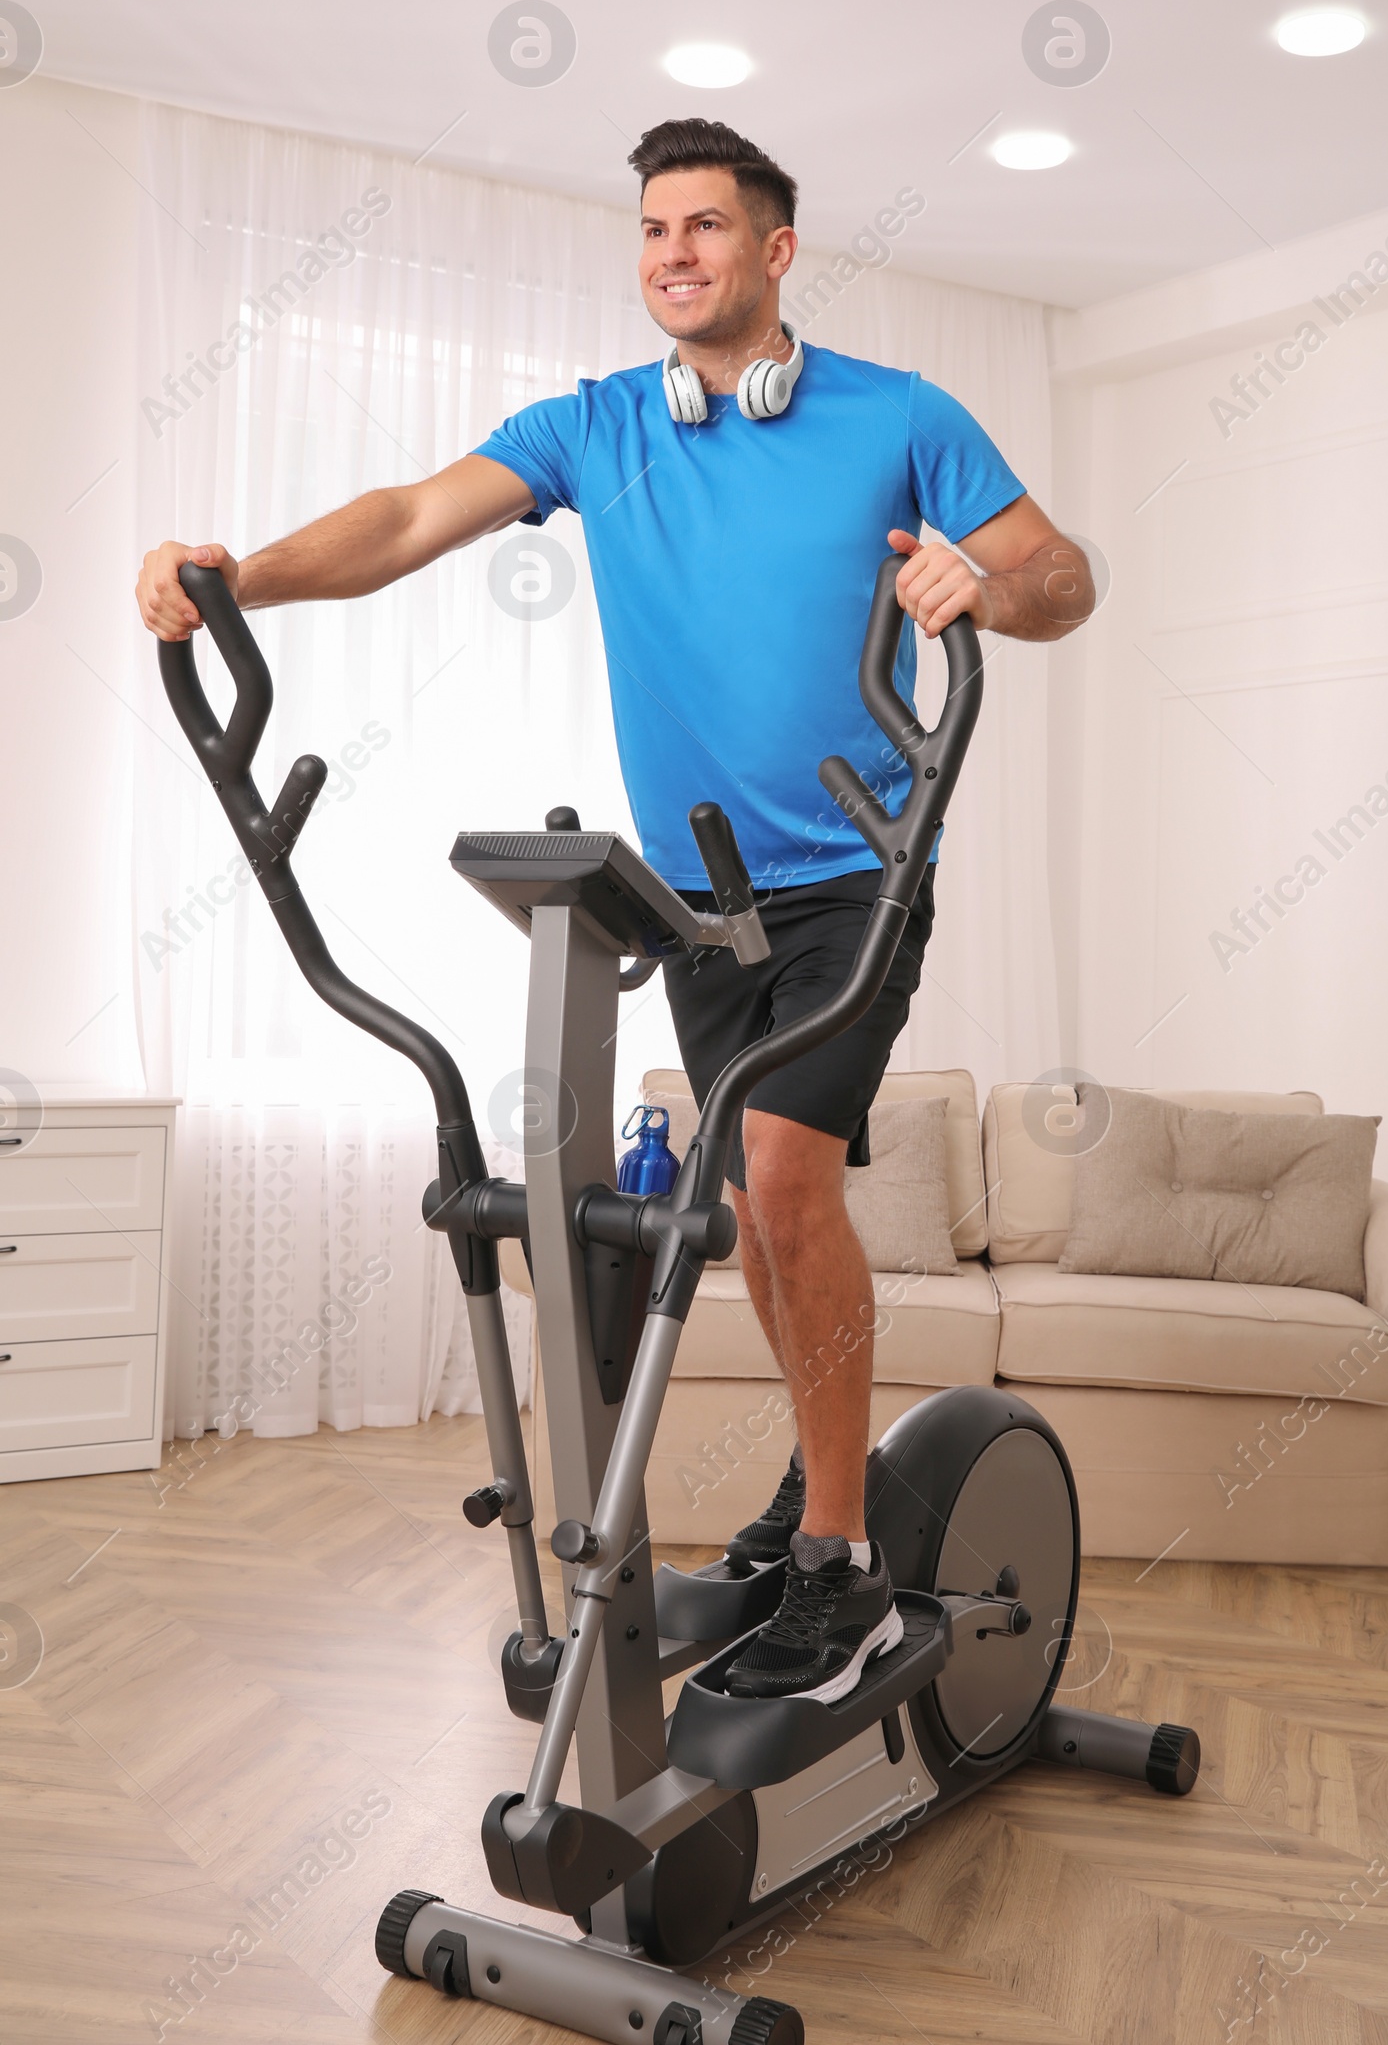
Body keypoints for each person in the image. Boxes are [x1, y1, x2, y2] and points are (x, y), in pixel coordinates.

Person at [136, 116, 1094, 1704]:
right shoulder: (597, 429)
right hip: (703, 897)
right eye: (654, 229)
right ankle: (816, 1487)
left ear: (775, 251)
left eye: (707, 228)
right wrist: (244, 578)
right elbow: (402, 521)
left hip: (862, 868)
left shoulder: (902, 419)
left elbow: (1064, 575)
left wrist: (984, 588)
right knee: (757, 1227)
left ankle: (843, 1568)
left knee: (786, 1186)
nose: (674, 255)